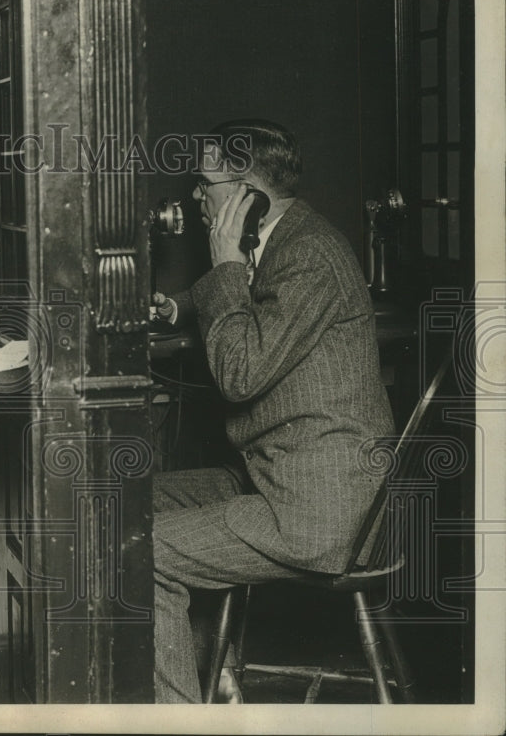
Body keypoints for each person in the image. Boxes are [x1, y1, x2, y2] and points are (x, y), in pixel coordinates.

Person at [149, 120, 394, 702]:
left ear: (247, 195)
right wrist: (176, 307)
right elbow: (261, 301)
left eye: (205, 185)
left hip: (324, 508)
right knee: (137, 497)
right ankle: (219, 678)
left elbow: (240, 373)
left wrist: (225, 264)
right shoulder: (286, 240)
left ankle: (180, 717)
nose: (194, 199)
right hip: (286, 475)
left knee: (142, 552)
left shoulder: (311, 254)